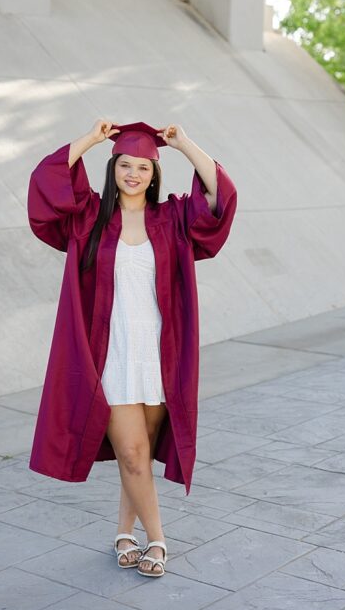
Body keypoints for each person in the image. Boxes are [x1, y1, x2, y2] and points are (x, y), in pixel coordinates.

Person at [28, 119, 237, 579]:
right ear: (113, 168)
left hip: (160, 356)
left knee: (136, 452)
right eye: (125, 164)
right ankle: (159, 540)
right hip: (112, 355)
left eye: (143, 166)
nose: (134, 174)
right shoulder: (88, 219)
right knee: (133, 454)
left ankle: (125, 531)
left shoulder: (174, 219)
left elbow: (220, 200)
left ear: (154, 174)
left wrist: (183, 143)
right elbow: (47, 180)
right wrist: (91, 138)